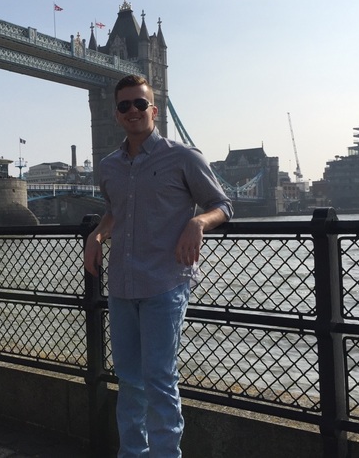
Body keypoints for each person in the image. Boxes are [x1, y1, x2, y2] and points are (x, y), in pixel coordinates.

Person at [84, 75, 233, 457]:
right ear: (116, 114)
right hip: (121, 284)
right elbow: (115, 212)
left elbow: (222, 205)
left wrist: (198, 222)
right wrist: (97, 234)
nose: (132, 110)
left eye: (139, 103)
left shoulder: (184, 157)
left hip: (165, 283)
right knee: (128, 380)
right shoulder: (108, 166)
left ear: (154, 109)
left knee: (159, 379)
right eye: (124, 105)